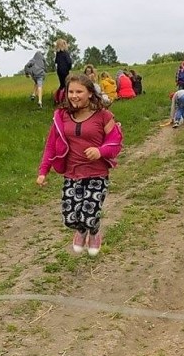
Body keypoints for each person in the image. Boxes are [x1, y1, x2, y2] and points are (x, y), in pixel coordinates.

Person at [36, 73, 123, 257]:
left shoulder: (103, 116)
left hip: (96, 175)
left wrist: (100, 151)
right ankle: (82, 230)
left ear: (90, 93)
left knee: (88, 215)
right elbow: (51, 145)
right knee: (70, 218)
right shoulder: (62, 116)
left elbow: (115, 141)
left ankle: (93, 231)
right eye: (71, 91)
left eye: (79, 91)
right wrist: (43, 171)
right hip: (71, 174)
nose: (74, 95)